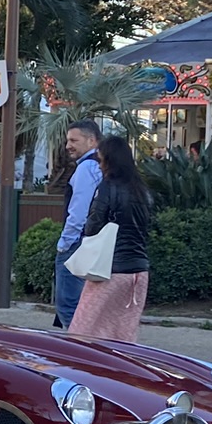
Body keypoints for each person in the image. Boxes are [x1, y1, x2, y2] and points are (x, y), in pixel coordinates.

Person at [69, 136, 153, 343]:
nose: (99, 164)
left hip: (109, 269)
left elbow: (93, 225)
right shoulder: (143, 190)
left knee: (83, 332)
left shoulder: (108, 186)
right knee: (123, 333)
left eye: (101, 159)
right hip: (138, 273)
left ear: (109, 160)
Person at [53, 120, 103, 329]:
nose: (68, 146)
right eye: (68, 141)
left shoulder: (87, 168)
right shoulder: (102, 165)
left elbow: (79, 210)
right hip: (96, 240)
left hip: (78, 242)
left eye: (74, 140)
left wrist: (65, 243)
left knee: (68, 305)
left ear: (91, 141)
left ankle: (78, 345)